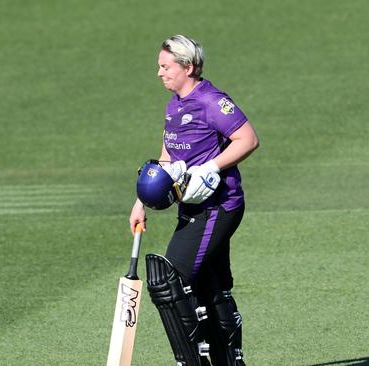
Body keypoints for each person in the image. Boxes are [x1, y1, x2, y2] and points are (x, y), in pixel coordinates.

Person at [129, 35, 259, 366]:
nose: (159, 73)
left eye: (165, 66)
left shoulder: (212, 101)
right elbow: (167, 157)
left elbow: (247, 138)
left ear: (188, 67)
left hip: (219, 206)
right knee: (208, 284)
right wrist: (142, 201)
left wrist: (210, 168)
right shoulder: (174, 105)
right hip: (192, 206)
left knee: (169, 280)